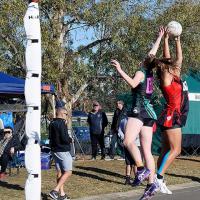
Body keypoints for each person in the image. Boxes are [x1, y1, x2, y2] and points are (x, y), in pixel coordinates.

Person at [111, 27, 165, 199]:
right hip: (150, 113)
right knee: (147, 151)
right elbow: (152, 54)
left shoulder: (141, 72)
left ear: (144, 60)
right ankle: (151, 184)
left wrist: (119, 70)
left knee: (127, 141)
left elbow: (133, 84)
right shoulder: (150, 72)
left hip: (138, 110)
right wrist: (160, 37)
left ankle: (140, 169)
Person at [154, 29, 189, 194]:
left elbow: (179, 58)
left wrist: (174, 40)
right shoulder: (166, 76)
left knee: (165, 150)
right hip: (171, 116)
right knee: (177, 150)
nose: (176, 65)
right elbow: (168, 59)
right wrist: (165, 41)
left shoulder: (173, 74)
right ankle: (158, 177)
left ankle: (157, 176)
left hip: (170, 116)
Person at [49, 108, 72, 200]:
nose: (67, 116)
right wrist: (70, 139)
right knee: (68, 172)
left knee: (60, 172)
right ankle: (55, 190)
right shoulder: (62, 123)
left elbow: (51, 137)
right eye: (66, 114)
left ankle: (62, 194)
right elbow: (64, 138)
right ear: (62, 114)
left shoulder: (52, 123)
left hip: (54, 150)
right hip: (62, 150)